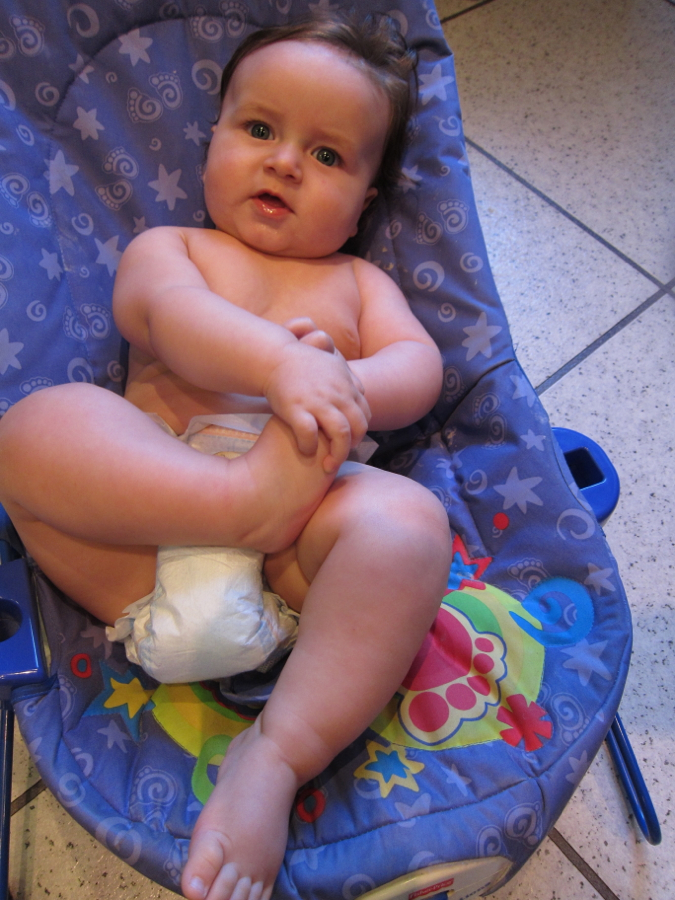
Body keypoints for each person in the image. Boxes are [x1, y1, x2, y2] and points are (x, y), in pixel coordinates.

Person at [0, 13, 452, 900]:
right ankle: (241, 497)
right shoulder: (174, 250)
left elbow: (420, 368)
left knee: (407, 525)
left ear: (365, 202)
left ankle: (275, 754)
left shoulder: (359, 283)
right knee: (33, 431)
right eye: (259, 129)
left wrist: (350, 384)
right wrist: (282, 365)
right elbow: (167, 316)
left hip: (296, 562)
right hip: (149, 531)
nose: (285, 162)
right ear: (210, 143)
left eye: (327, 155)